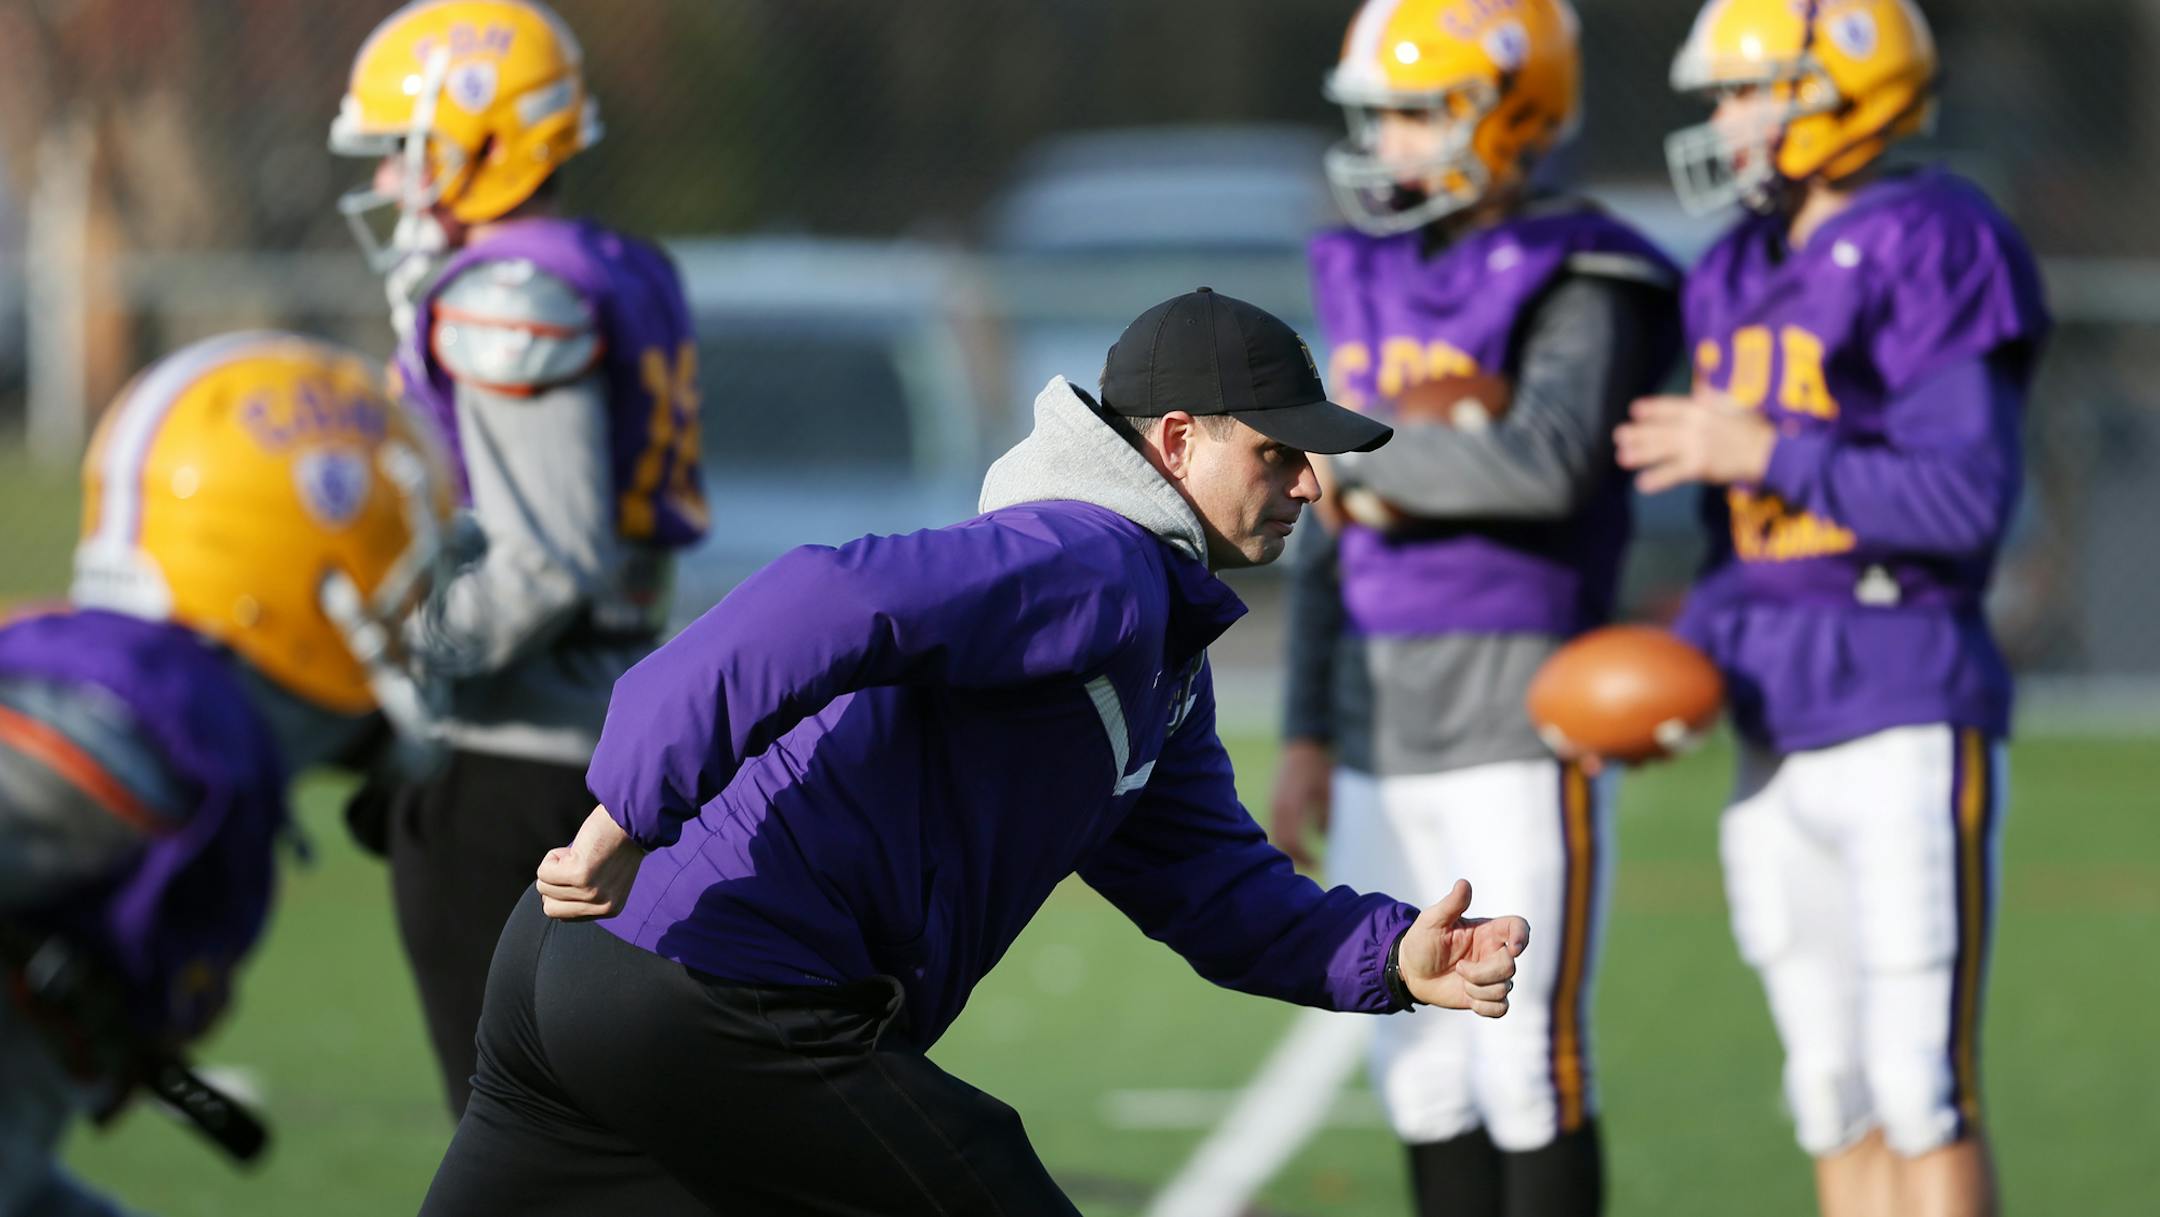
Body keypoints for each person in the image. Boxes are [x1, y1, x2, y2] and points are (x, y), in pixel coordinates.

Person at [414, 289, 1536, 1216]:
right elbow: (819, 595)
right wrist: (627, 807)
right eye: (1279, 449)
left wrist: (1387, 955)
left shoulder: (1153, 641)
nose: (1308, 482)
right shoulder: (1095, 563)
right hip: (720, 982)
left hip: (574, 968)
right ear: (1179, 439)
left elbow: (1212, 886)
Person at [1614, 2, 2047, 1214]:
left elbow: (1966, 498)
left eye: (1748, 91)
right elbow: (1741, 543)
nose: (1724, 120)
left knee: (1923, 1086)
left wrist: (1768, 450)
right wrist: (1680, 667)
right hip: (1770, 713)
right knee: (1830, 1085)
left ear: (1840, 88)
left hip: (1903, 689)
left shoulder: (1935, 235)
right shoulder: (1740, 265)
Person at [1267, 2, 1680, 1213]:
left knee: (1528, 1060)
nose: (1390, 141)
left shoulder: (1582, 265)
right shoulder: (1367, 263)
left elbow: (1548, 457)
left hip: (1519, 707)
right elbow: (1326, 535)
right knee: (1419, 1063)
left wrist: (1371, 462)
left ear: (1514, 108)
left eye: (1416, 110)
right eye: (1380, 114)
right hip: (1379, 722)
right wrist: (1305, 727)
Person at [328, 0, 709, 1116]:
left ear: (477, 139)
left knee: (511, 1126)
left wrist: (394, 665)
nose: (393, 185)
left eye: (404, 152)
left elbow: (546, 559)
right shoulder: (604, 266)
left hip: (512, 749)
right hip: (595, 717)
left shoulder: (508, 298)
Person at [0, 332, 452, 1217]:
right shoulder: (141, 739)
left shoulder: (179, 728)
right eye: (403, 569)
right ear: (308, 575)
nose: (422, 613)